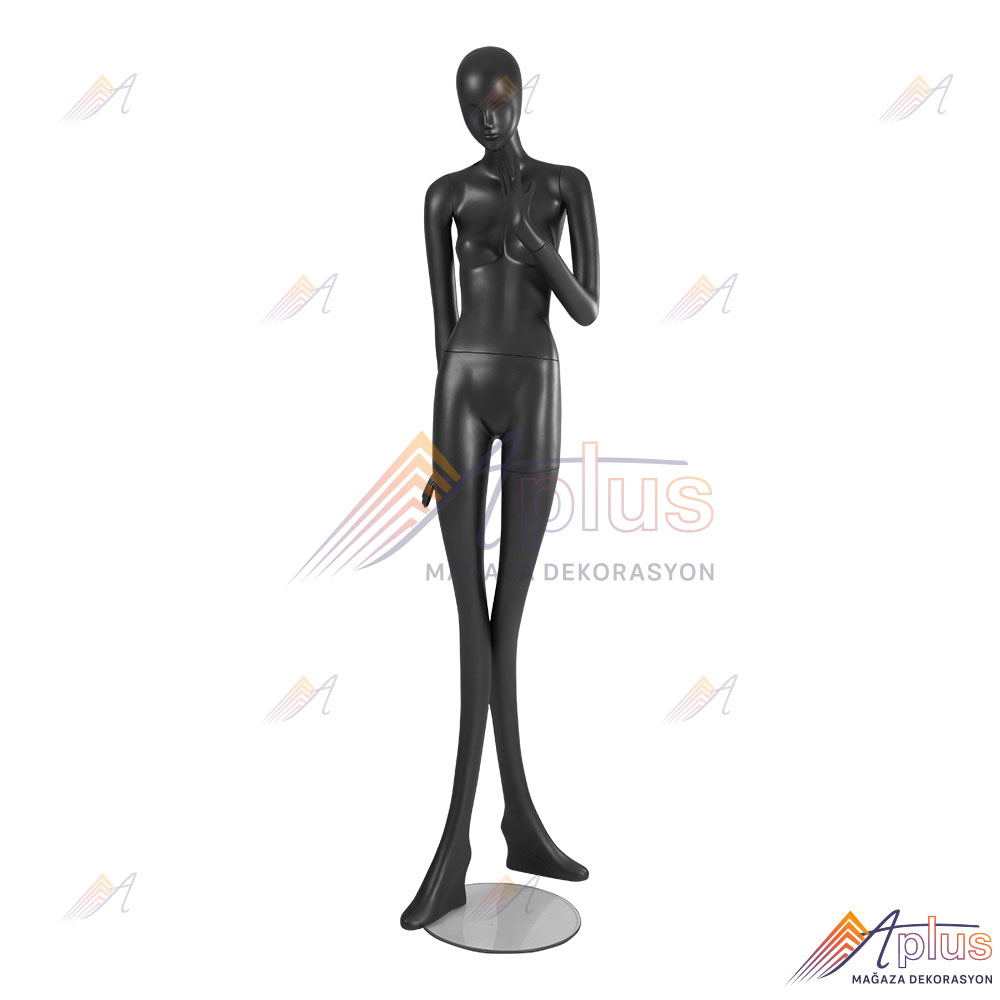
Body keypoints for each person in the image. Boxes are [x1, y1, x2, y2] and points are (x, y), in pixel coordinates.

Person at [401, 45, 600, 932]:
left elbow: (588, 308)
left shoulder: (565, 186)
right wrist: (438, 454)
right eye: (471, 105)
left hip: (535, 387)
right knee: (469, 623)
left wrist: (538, 252)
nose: (487, 117)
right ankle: (465, 843)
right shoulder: (443, 195)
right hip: (461, 392)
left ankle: (509, 829)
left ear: (520, 97)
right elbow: (440, 328)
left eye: (499, 100)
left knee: (505, 624)